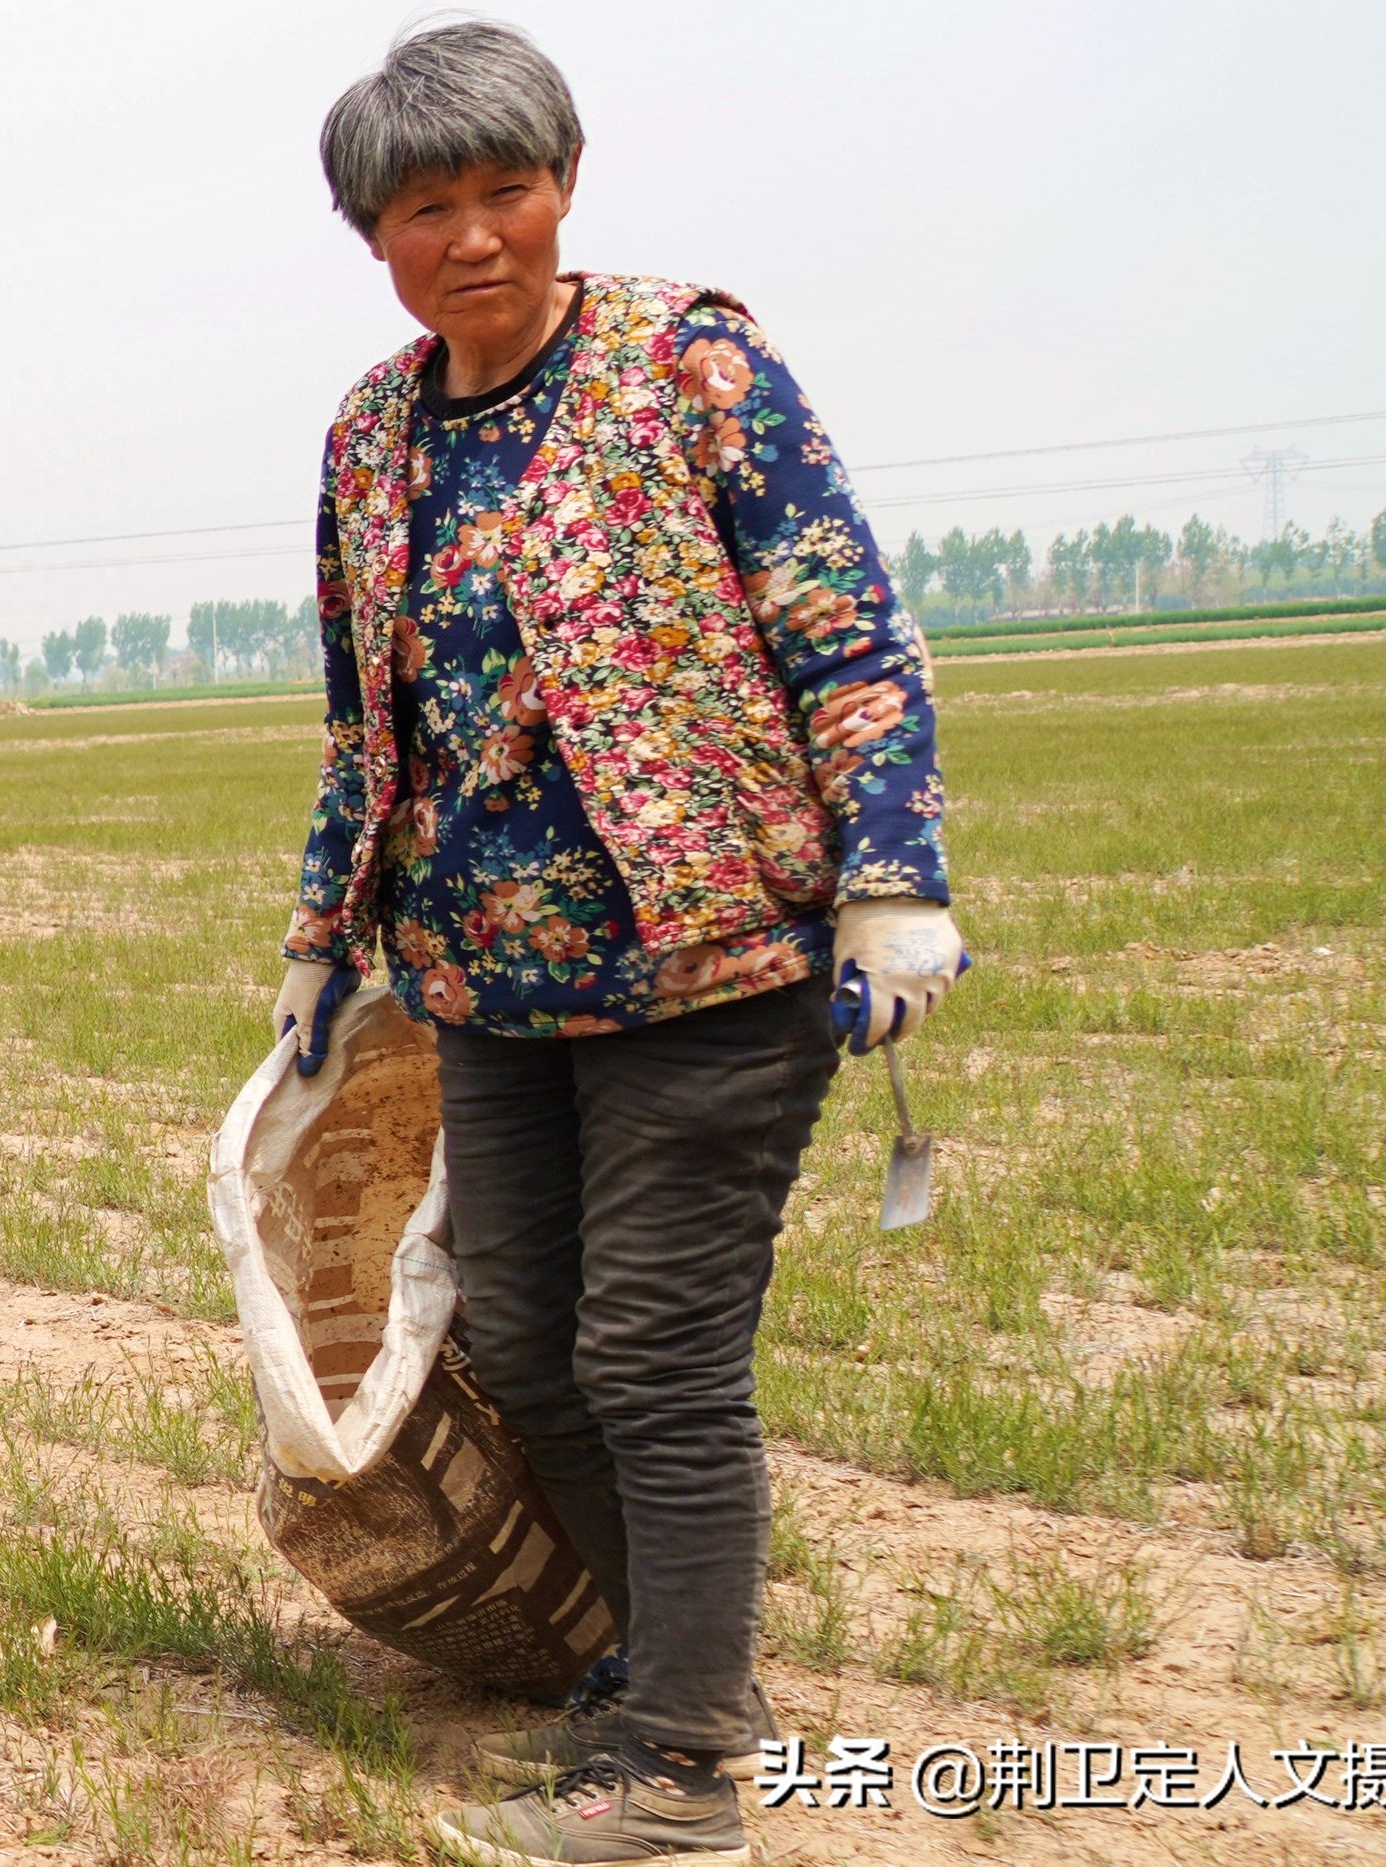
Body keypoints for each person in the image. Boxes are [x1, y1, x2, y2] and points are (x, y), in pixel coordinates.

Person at [283, 23, 963, 1866]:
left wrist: (892, 874)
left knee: (659, 1356)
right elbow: (368, 719)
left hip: (717, 967)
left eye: (510, 189)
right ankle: (662, 1669)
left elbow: (841, 627)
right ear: (378, 235)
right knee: (529, 1347)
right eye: (434, 205)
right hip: (486, 990)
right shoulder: (373, 434)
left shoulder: (690, 367)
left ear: (563, 186)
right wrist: (320, 941)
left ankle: (683, 1765)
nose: (479, 232)